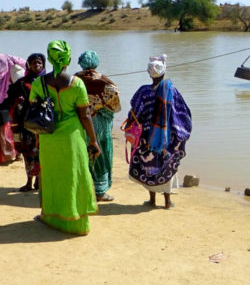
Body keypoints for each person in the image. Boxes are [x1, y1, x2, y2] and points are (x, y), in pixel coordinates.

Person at [31, 40, 101, 235]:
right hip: (72, 137)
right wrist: (94, 140)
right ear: (67, 60)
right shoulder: (76, 84)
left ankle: (51, 217)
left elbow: (35, 109)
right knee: (74, 176)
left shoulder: (38, 83)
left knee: (53, 176)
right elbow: (85, 115)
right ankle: (76, 222)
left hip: (49, 137)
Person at [126, 54, 192, 209]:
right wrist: (180, 136)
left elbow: (134, 114)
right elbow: (182, 116)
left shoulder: (143, 92)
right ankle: (168, 202)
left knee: (149, 168)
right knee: (166, 167)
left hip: (147, 138)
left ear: (149, 73)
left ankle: (152, 200)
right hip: (167, 140)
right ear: (164, 72)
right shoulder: (172, 92)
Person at [75, 51, 121, 202]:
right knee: (99, 154)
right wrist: (99, 107)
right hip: (100, 124)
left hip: (80, 123)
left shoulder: (74, 80)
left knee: (82, 154)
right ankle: (100, 191)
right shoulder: (104, 81)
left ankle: (82, 189)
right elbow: (115, 99)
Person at [2, 53, 46, 192]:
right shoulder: (21, 83)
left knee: (41, 153)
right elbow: (10, 100)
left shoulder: (47, 81)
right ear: (28, 65)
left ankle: (39, 181)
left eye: (39, 62)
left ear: (44, 64)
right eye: (34, 63)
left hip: (43, 124)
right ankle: (29, 181)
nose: (37, 65)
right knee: (27, 153)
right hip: (25, 124)